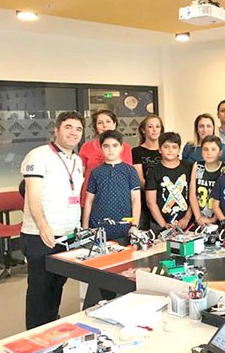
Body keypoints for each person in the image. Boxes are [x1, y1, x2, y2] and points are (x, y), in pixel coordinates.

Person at [20, 111, 85, 329]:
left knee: (57, 285)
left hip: (67, 234)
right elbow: (32, 195)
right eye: (68, 127)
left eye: (78, 129)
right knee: (40, 289)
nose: (73, 132)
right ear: (56, 130)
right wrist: (43, 226)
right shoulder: (38, 155)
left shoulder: (76, 160)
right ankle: (34, 335)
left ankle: (50, 329)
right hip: (40, 234)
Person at [82, 130, 141, 236]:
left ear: (121, 147)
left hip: (124, 226)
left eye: (115, 145)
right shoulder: (95, 172)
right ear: (101, 148)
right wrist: (85, 228)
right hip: (98, 227)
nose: (111, 150)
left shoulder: (130, 171)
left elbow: (136, 200)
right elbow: (89, 201)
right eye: (106, 146)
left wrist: (134, 225)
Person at [78, 109, 133, 207]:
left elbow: (128, 176)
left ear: (114, 124)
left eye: (108, 121)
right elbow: (79, 174)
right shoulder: (86, 147)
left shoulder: (125, 147)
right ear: (95, 126)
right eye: (100, 123)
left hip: (116, 199)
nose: (105, 125)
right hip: (89, 199)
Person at [145, 132, 192, 230]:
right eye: (166, 147)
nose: (170, 150)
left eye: (174, 147)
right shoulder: (153, 171)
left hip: (187, 223)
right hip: (159, 224)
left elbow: (194, 197)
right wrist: (164, 225)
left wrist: (186, 218)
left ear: (179, 150)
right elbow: (151, 202)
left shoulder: (189, 167)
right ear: (159, 149)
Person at [132, 114, 164, 230]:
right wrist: (153, 193)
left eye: (157, 126)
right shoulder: (136, 151)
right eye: (150, 127)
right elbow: (139, 179)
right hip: (144, 201)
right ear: (143, 130)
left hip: (164, 200)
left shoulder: (166, 150)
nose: (154, 130)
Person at [189, 135, 225, 226]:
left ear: (220, 153)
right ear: (201, 152)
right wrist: (198, 218)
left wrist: (213, 219)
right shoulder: (198, 166)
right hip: (198, 217)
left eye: (213, 149)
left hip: (218, 218)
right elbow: (192, 194)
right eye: (205, 149)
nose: (209, 153)